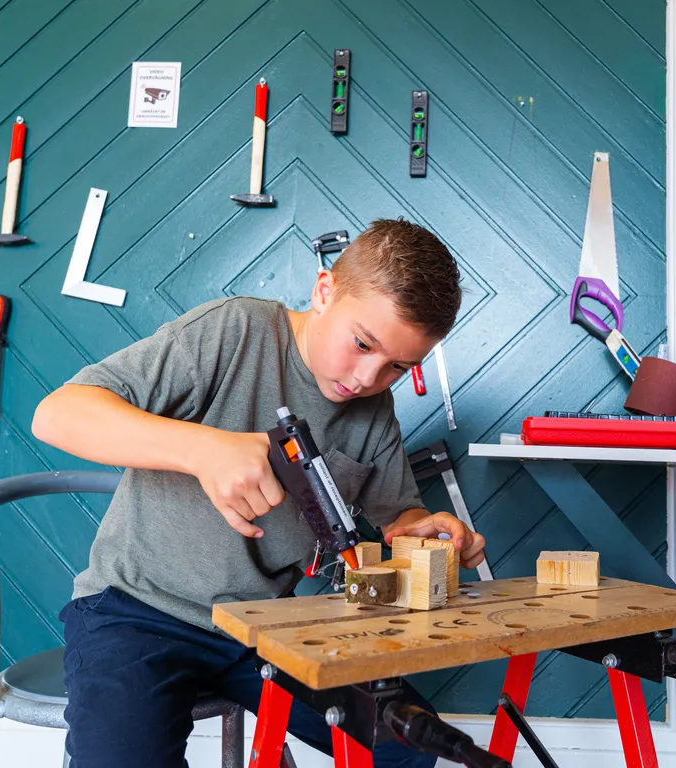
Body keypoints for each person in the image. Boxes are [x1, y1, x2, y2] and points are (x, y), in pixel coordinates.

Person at [32, 218, 487, 768]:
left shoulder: (373, 408)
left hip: (265, 627)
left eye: (397, 366)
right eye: (362, 344)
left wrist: (422, 527)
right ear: (324, 291)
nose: (368, 377)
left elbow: (399, 515)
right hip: (136, 613)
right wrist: (202, 450)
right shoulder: (234, 331)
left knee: (406, 748)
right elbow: (57, 414)